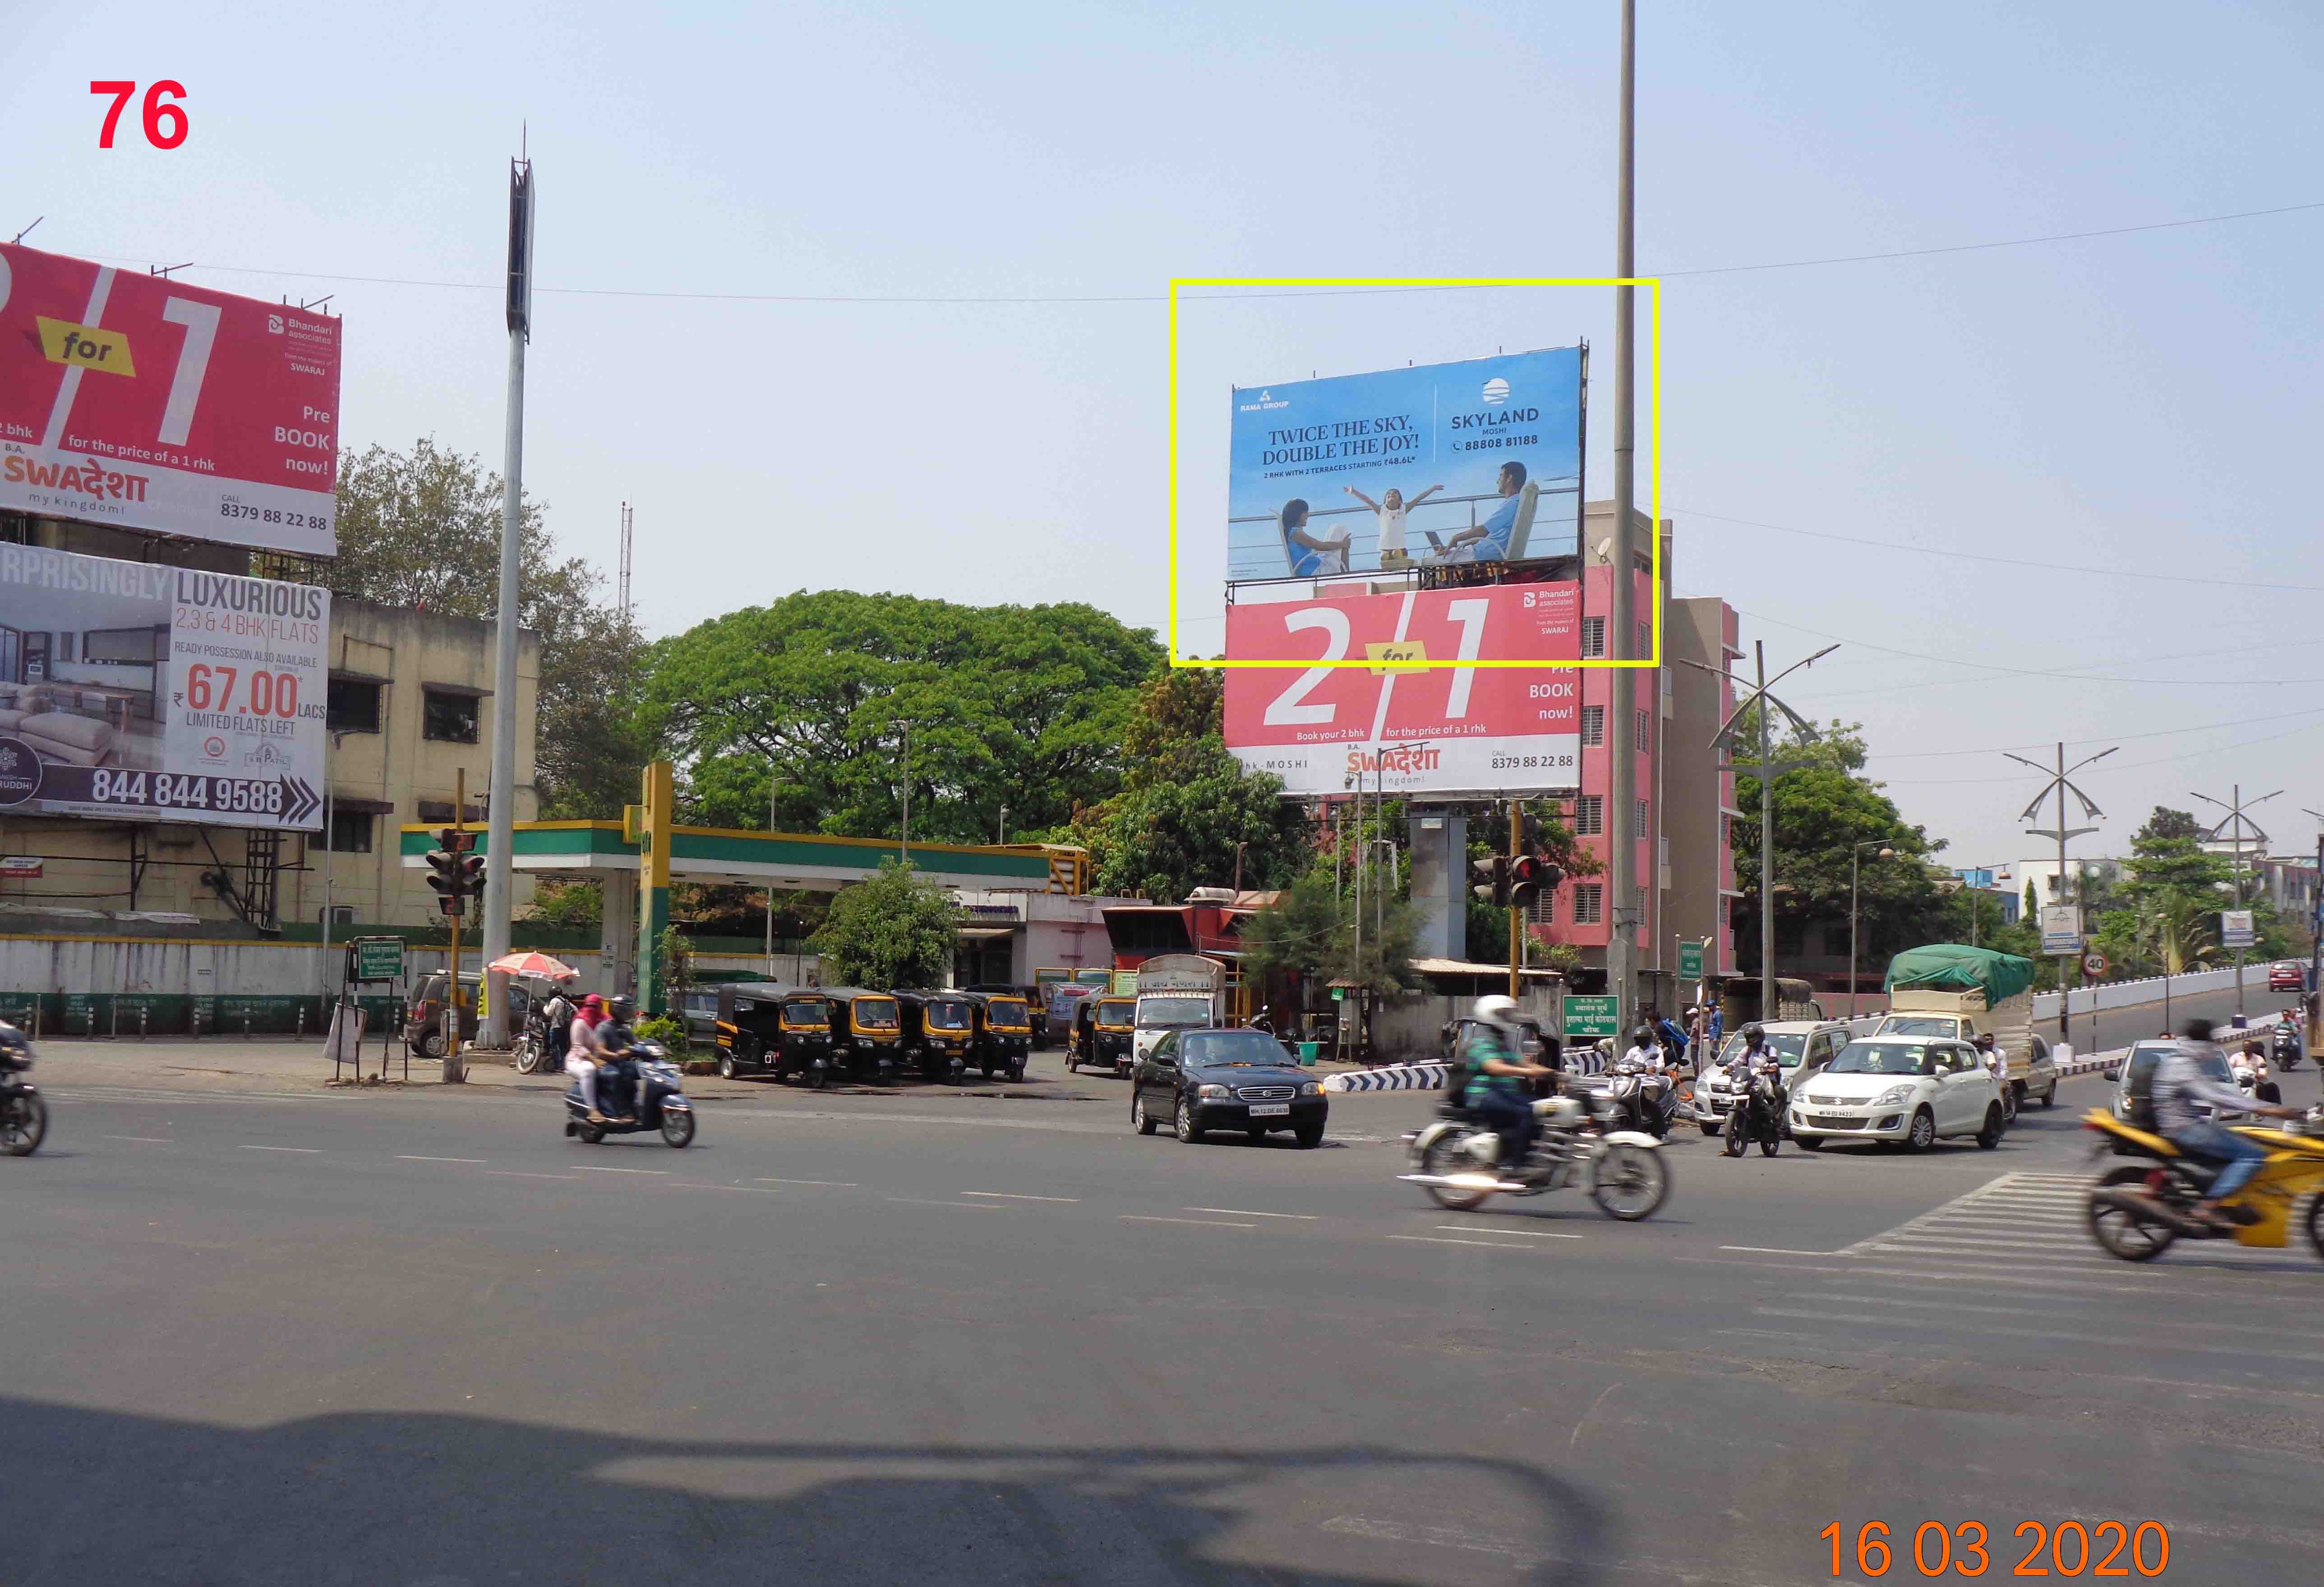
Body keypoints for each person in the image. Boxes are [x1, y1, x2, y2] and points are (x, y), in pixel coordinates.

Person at [2152, 1019, 2300, 1229]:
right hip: (2184, 1129)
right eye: (2211, 1041)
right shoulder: (2183, 1067)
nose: (2213, 1047)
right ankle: (2207, 1207)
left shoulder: (2179, 1060)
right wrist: (2269, 1110)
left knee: (2243, 1137)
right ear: (2202, 1042)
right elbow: (2216, 1097)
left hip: (2187, 1125)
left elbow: (2219, 1092)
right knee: (2253, 1155)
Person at [1458, 995, 1556, 1171]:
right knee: (1526, 1112)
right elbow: (1495, 1067)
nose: (1508, 1018)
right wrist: (1528, 1072)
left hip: (1502, 1094)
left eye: (1508, 1014)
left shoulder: (1500, 1042)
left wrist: (1553, 1074)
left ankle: (1530, 1153)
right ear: (1490, 1015)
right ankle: (1516, 1166)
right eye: (1503, 1014)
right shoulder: (1483, 1042)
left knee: (1541, 1107)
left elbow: (1522, 1062)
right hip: (1484, 1095)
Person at [1439, 461, 1529, 563]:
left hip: (1483, 554)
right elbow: (1493, 535)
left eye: (1501, 476)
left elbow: (1483, 531)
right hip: (1484, 550)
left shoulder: (1512, 504)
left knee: (1435, 560)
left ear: (1510, 478)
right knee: (1446, 555)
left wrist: (1456, 538)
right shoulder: (1516, 502)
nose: (1498, 481)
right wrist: (1467, 542)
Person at [1344, 482, 1443, 567]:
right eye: (1389, 494)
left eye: (1395, 494)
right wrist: (1353, 491)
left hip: (1399, 547)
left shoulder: (1404, 509)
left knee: (1398, 558)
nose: (1391, 495)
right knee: (1385, 561)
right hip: (1385, 548)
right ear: (1385, 500)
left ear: (1400, 500)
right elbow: (1367, 500)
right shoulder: (1382, 510)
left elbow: (1418, 499)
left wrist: (1432, 489)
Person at [565, 993, 609, 1125]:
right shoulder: (580, 1022)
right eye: (590, 1006)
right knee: (588, 1070)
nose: (593, 1009)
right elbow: (578, 1047)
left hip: (600, 1060)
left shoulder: (605, 1022)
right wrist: (594, 1060)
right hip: (577, 1060)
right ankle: (593, 1110)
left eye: (596, 1006)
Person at [595, 996, 641, 1124]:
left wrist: (648, 1049)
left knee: (641, 1071)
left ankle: (637, 1106)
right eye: (626, 1010)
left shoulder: (625, 1029)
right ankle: (622, 1112)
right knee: (616, 1076)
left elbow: (637, 1044)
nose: (629, 1013)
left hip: (621, 1063)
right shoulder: (604, 1027)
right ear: (617, 1010)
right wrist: (616, 1055)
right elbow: (600, 1051)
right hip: (605, 1064)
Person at [1277, 498, 1350, 577]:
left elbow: (1315, 548)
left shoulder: (1293, 533)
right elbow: (1320, 546)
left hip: (1316, 570)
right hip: (1317, 573)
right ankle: (1347, 575)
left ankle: (1346, 574)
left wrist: (1341, 544)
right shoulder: (1296, 533)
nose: (1308, 515)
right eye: (1305, 512)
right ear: (1297, 514)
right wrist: (1343, 544)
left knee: (1335, 529)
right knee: (1340, 529)